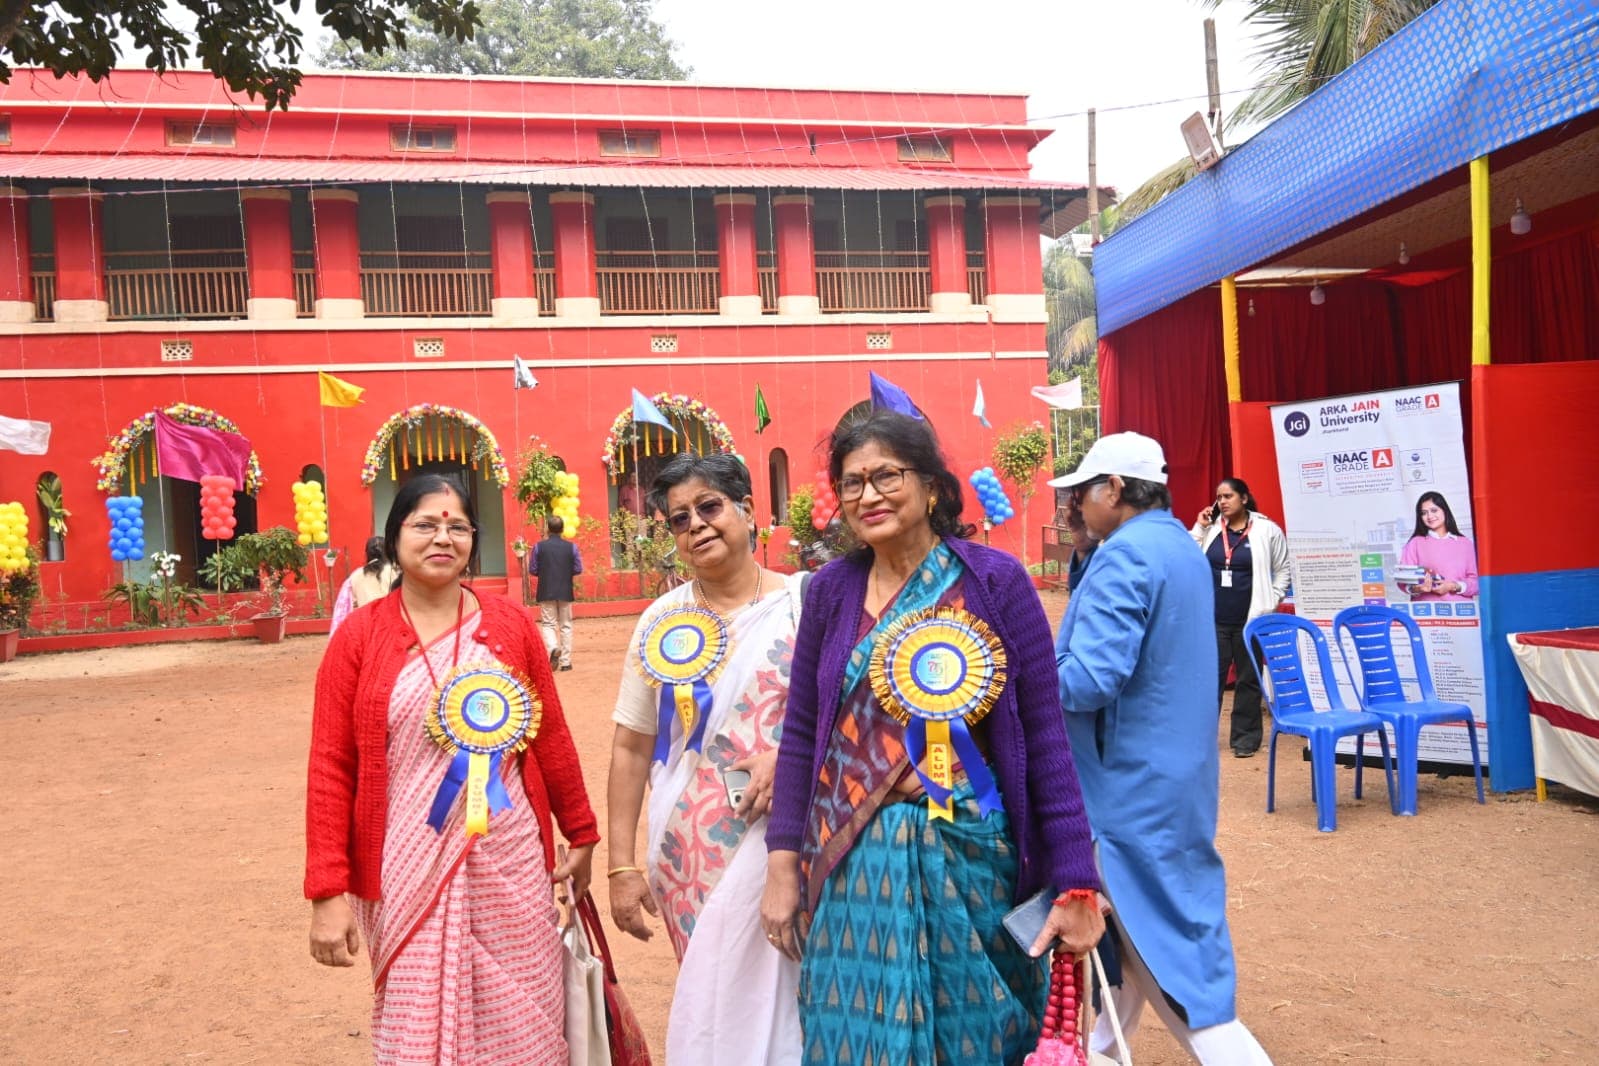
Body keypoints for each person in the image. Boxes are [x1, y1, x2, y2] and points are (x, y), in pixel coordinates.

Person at [763, 410, 1104, 1065]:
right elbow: (803, 733)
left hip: (969, 855)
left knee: (974, 1039)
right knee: (854, 1039)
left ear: (931, 487)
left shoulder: (992, 582)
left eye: (885, 476)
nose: (867, 496)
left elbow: (1044, 737)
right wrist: (783, 864)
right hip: (852, 861)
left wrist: (1075, 882)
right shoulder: (831, 591)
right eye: (851, 482)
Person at [305, 473, 599, 1065]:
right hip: (404, 866)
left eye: (457, 526)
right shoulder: (358, 639)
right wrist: (326, 892)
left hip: (510, 860)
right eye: (425, 525)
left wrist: (582, 831)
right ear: (394, 540)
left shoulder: (512, 626)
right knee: (415, 1028)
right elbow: (331, 767)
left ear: (472, 540)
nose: (443, 537)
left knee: (525, 1021)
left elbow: (550, 737)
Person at [1052, 433, 1274, 1066]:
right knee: (1127, 945)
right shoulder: (1178, 544)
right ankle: (1097, 1051)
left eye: (1082, 492)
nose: (1076, 506)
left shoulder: (1124, 556)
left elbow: (1090, 680)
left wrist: (1022, 672)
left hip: (1126, 788)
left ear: (1115, 489)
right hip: (1172, 775)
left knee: (1179, 969)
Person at [607, 452, 803, 1064]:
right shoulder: (661, 621)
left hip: (790, 837)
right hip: (688, 847)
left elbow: (848, 720)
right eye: (678, 518)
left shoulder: (807, 604)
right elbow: (632, 744)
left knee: (792, 999)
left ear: (747, 510)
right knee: (714, 996)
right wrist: (620, 867)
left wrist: (789, 759)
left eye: (710, 507)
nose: (696, 525)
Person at [1190, 477, 1291, 758]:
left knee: (1248, 680)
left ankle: (1245, 739)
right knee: (1210, 679)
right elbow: (1186, 554)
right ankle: (1201, 737)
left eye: (1228, 496)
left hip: (1251, 620)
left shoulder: (1266, 529)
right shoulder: (1211, 529)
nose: (1222, 501)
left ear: (1244, 498)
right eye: (1219, 497)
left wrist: (1271, 601)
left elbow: (1283, 569)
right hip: (1214, 619)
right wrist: (1200, 526)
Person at [1398, 491, 1478, 601]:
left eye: (1434, 510)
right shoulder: (1415, 543)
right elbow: (1403, 580)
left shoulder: (1465, 543)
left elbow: (1477, 582)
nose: (1429, 516)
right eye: (1424, 513)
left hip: (1461, 613)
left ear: (1444, 510)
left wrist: (1453, 586)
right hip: (1427, 612)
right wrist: (1419, 588)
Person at [530, 513, 584, 670]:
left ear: (548, 529)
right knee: (566, 625)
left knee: (548, 623)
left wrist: (546, 572)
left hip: (546, 589)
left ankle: (553, 647)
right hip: (565, 589)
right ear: (562, 529)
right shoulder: (571, 547)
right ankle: (566, 662)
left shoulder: (539, 547)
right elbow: (578, 568)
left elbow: (533, 569)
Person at [329, 536, 396, 633]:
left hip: (365, 627)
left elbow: (347, 605)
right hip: (390, 626)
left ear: (367, 553)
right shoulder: (395, 572)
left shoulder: (355, 576)